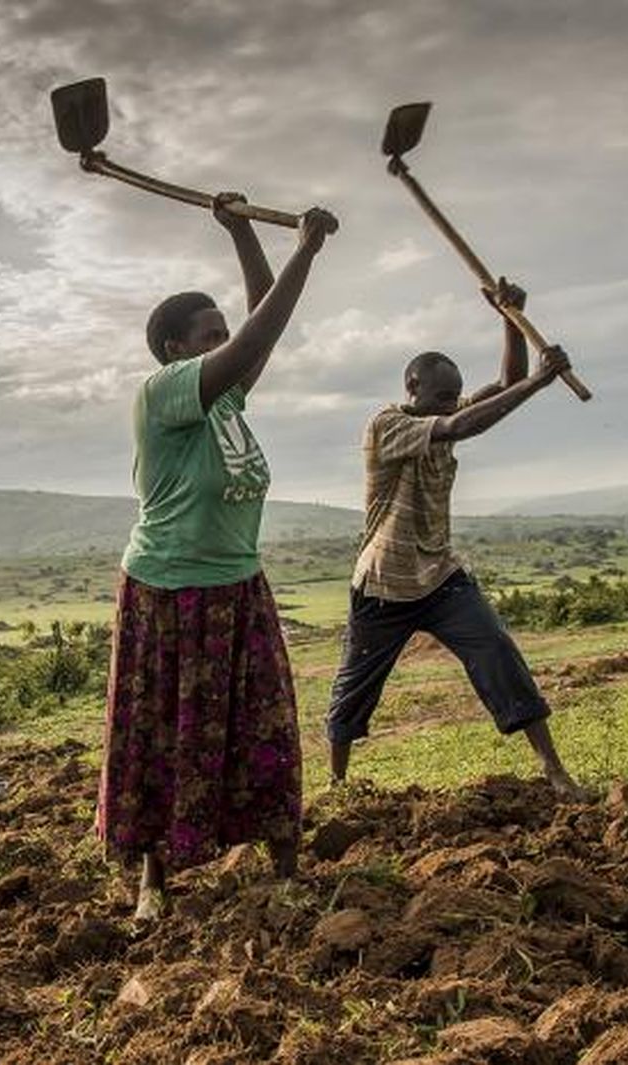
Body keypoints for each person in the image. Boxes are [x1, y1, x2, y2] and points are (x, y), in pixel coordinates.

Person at [96, 195, 339, 920]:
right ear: (175, 349)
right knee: (162, 736)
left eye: (223, 332)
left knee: (264, 724)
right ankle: (154, 883)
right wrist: (305, 251)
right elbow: (259, 334)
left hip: (238, 586)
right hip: (170, 593)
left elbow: (258, 331)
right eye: (210, 334)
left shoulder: (225, 398)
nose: (226, 340)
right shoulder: (167, 392)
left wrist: (241, 233)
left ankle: (287, 871)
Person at [325, 279, 588, 800]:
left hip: (441, 575)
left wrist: (509, 319)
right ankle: (337, 786)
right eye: (442, 397)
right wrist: (539, 383)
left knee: (496, 650)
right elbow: (466, 425)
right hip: (385, 585)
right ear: (412, 387)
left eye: (452, 397)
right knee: (356, 688)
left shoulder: (443, 413)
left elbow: (503, 384)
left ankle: (554, 770)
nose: (450, 404)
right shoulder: (387, 425)